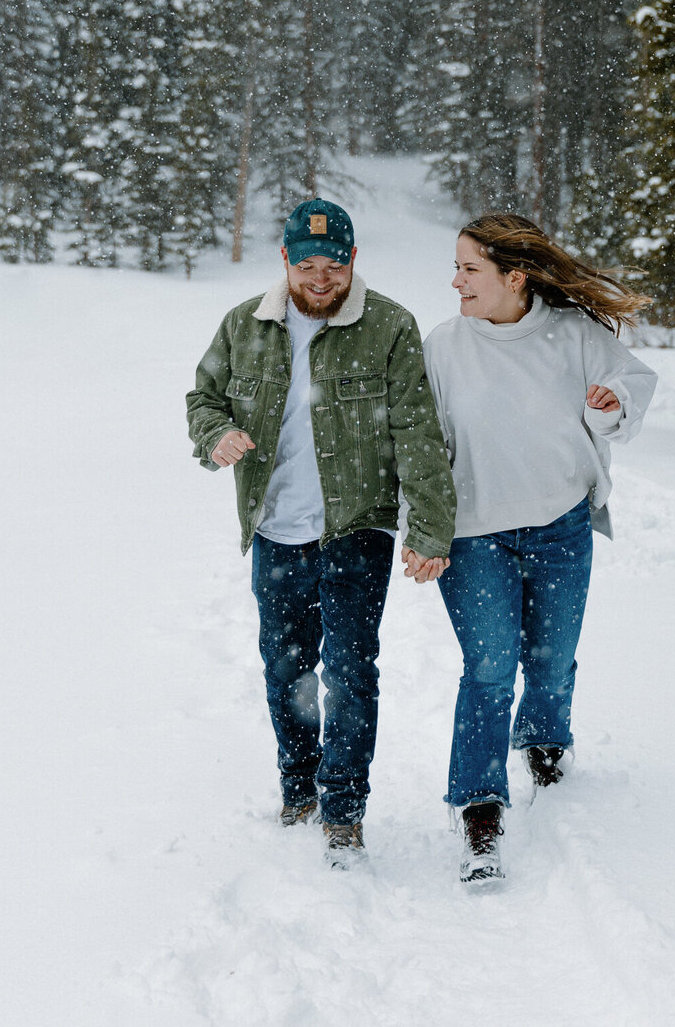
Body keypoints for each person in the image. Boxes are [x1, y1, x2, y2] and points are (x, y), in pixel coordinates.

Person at [187, 198, 455, 866]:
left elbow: (418, 435)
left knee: (350, 672)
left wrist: (430, 529)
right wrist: (217, 435)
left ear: (352, 261)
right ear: (285, 261)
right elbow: (204, 399)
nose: (319, 278)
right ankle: (298, 787)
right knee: (286, 669)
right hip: (276, 531)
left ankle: (343, 808)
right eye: (306, 265)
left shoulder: (389, 326)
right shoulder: (245, 326)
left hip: (355, 528)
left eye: (333, 265)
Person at [421, 213, 656, 885]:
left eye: (470, 268)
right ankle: (479, 807)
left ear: (514, 276)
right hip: (474, 533)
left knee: (550, 660)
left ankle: (545, 735)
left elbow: (630, 390)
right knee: (490, 666)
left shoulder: (571, 336)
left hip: (560, 525)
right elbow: (417, 442)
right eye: (457, 267)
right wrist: (424, 528)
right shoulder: (443, 346)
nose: (457, 280)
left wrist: (611, 403)